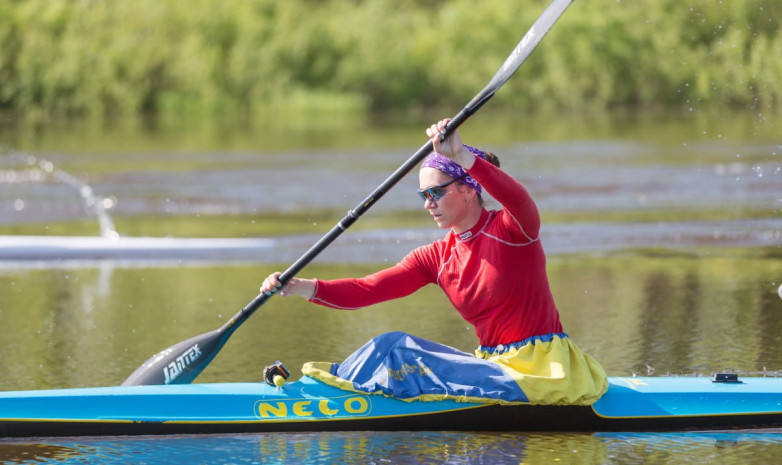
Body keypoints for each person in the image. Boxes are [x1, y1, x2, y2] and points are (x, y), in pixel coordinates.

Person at [260, 119, 607, 406]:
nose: (428, 204)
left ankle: (327, 398)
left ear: (469, 189)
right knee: (388, 346)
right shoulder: (437, 257)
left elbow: (520, 198)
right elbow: (367, 290)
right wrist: (299, 286)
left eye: (436, 192)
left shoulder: (513, 230)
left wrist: (461, 155)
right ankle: (328, 390)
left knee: (399, 352)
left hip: (540, 372)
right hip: (494, 368)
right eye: (423, 196)